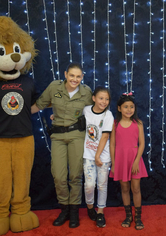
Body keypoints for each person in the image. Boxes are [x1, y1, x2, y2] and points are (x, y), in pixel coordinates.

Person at [31, 62, 93, 228]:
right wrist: (17, 114)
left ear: (82, 77)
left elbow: (94, 112)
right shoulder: (54, 87)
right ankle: (64, 209)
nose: (74, 79)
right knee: (58, 176)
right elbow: (40, 104)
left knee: (75, 175)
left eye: (78, 76)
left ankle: (74, 212)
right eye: (72, 75)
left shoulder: (86, 92)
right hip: (58, 136)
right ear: (65, 74)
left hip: (77, 135)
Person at [109, 92, 148, 230]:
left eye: (131, 107)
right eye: (126, 107)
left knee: (135, 189)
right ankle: (128, 216)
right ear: (119, 108)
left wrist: (137, 161)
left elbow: (142, 144)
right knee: (124, 188)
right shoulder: (115, 124)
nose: (129, 110)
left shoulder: (138, 123)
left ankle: (138, 217)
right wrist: (113, 164)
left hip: (134, 159)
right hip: (120, 160)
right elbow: (112, 144)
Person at [83, 86, 114, 228]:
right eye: (101, 98)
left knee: (102, 185)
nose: (104, 101)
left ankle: (100, 212)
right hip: (88, 155)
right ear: (94, 98)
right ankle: (90, 208)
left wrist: (98, 156)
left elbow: (105, 136)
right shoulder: (86, 110)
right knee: (89, 185)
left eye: (107, 99)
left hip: (103, 157)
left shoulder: (108, 115)